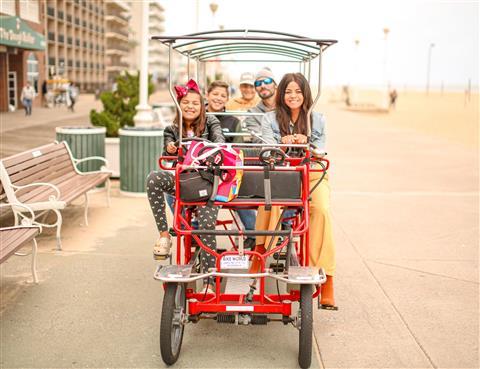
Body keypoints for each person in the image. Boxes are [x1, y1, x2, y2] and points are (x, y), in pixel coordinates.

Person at [253, 73, 337, 309]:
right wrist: (284, 143)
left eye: (298, 92)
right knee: (270, 200)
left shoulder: (317, 119)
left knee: (321, 210)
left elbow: (321, 150)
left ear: (305, 94)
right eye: (288, 91)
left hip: (310, 172)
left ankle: (326, 276)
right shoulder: (270, 119)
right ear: (282, 94)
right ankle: (260, 252)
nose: (293, 96)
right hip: (281, 171)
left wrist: (306, 142)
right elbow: (267, 149)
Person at [146, 79, 225, 293]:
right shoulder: (172, 129)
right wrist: (171, 150)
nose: (190, 106)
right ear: (179, 105)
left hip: (209, 182)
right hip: (184, 181)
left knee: (206, 223)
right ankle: (164, 236)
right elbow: (167, 152)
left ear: (202, 106)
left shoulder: (210, 122)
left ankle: (209, 280)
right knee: (154, 178)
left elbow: (219, 141)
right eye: (186, 102)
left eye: (195, 103)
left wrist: (201, 146)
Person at [206, 80, 257, 249]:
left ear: (227, 99)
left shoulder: (232, 121)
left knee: (241, 188)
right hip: (202, 172)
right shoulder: (198, 116)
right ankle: (194, 228)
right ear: (207, 95)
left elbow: (239, 148)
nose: (218, 98)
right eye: (215, 94)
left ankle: (253, 231)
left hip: (226, 172)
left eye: (223, 96)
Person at [244, 67, 277, 142]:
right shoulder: (252, 113)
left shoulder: (287, 107)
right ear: (256, 89)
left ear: (275, 85)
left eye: (267, 81)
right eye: (258, 83)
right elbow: (258, 139)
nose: (262, 85)